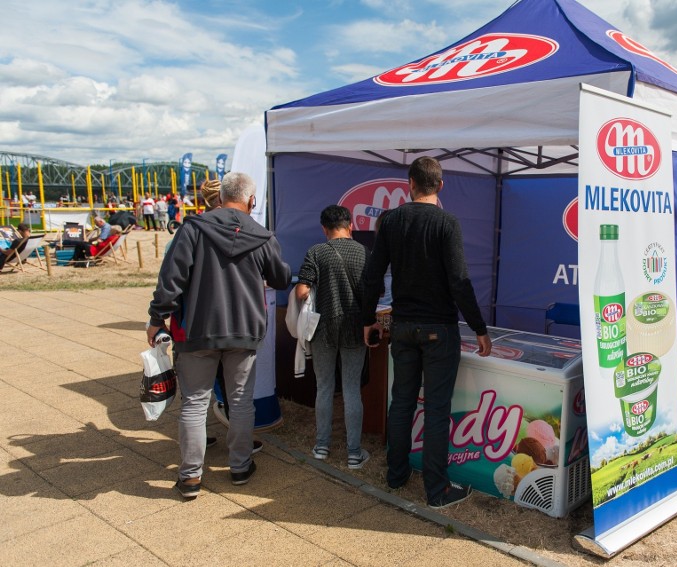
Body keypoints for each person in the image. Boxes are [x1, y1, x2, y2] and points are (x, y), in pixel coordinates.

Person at [147, 172, 291, 499]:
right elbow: (281, 277)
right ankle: (240, 466)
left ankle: (190, 478)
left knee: (195, 403)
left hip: (197, 331)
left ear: (221, 196)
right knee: (240, 402)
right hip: (244, 332)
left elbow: (171, 280)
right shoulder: (262, 235)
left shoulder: (193, 229)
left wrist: (156, 318)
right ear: (252, 201)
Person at [362, 156, 492, 509]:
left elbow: (372, 274)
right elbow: (459, 282)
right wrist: (479, 328)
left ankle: (396, 475)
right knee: (436, 410)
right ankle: (437, 490)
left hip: (403, 328)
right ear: (441, 185)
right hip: (438, 330)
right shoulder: (447, 222)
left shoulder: (392, 221)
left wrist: (368, 319)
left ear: (410, 184)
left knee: (401, 402)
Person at [294, 205, 370, 469]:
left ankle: (322, 446)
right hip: (355, 329)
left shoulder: (316, 252)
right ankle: (354, 452)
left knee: (324, 387)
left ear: (324, 229)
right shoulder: (363, 252)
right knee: (351, 390)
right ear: (350, 225)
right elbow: (375, 292)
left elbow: (301, 291)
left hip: (323, 330)